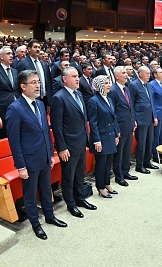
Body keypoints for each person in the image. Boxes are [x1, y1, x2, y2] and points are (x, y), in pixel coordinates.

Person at [6, 69, 67, 240]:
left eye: (38, 82)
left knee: (46, 190)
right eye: (34, 82)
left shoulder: (40, 104)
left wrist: (50, 155)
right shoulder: (15, 108)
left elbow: (46, 133)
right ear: (23, 86)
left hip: (44, 157)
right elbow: (14, 141)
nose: (38, 85)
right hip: (29, 161)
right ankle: (35, 223)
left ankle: (50, 216)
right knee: (31, 195)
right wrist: (20, 166)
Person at [50, 67, 97, 218]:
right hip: (69, 146)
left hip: (81, 142)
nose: (78, 79)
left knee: (80, 174)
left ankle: (80, 198)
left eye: (78, 76)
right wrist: (62, 147)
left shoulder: (79, 94)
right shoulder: (59, 97)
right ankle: (71, 204)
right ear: (65, 79)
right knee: (68, 177)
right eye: (74, 76)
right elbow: (57, 127)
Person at [87, 75, 120, 198]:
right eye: (106, 83)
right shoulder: (93, 101)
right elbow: (93, 123)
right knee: (101, 164)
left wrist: (116, 134)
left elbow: (114, 118)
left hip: (110, 135)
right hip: (101, 137)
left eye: (109, 82)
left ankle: (107, 183)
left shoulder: (109, 99)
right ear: (99, 86)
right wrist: (96, 140)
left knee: (108, 163)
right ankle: (100, 187)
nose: (108, 85)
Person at [108, 66, 138, 187]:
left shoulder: (127, 88)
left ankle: (126, 172)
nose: (126, 75)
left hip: (129, 124)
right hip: (120, 126)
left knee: (127, 151)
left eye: (126, 73)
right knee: (119, 153)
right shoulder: (113, 90)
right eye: (123, 73)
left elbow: (131, 106)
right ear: (116, 76)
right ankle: (118, 175)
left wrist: (134, 120)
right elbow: (112, 111)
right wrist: (116, 129)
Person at [129, 66, 158, 174]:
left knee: (149, 141)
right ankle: (139, 165)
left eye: (149, 73)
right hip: (140, 118)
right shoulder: (133, 85)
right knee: (141, 143)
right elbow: (131, 104)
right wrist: (134, 119)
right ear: (140, 74)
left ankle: (147, 161)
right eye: (147, 73)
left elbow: (151, 102)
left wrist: (154, 116)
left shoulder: (148, 85)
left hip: (149, 117)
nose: (149, 75)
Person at [0, 46, 19, 139]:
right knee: (5, 138)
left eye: (11, 53)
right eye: (8, 54)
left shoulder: (15, 71)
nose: (11, 56)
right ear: (1, 56)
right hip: (3, 112)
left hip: (17, 110)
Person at [16, 40, 51, 110]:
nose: (38, 49)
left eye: (39, 47)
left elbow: (48, 83)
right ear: (29, 49)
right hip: (29, 99)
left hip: (44, 99)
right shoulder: (22, 63)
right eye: (35, 47)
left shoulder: (44, 64)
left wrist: (49, 102)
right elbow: (19, 83)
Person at [149, 67, 162, 163]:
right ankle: (156, 155)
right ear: (155, 75)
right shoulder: (152, 85)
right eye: (160, 72)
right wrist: (154, 116)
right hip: (157, 114)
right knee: (156, 136)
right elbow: (152, 101)